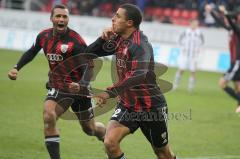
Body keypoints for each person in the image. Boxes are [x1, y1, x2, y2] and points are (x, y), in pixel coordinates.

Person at [7, 4, 105, 159]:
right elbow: (32, 51)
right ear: (51, 18)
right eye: (58, 16)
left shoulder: (76, 41)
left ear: (68, 19)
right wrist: (16, 67)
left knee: (89, 129)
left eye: (64, 16)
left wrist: (81, 85)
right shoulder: (43, 36)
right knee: (48, 115)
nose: (61, 19)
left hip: (79, 88)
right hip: (58, 86)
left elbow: (89, 66)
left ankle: (103, 134)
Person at [85, 3, 177, 159]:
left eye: (117, 16)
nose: (113, 19)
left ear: (129, 23)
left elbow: (139, 74)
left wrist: (109, 92)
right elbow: (88, 53)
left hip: (151, 107)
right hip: (128, 105)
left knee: (162, 153)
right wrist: (102, 39)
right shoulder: (118, 40)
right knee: (110, 143)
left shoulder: (141, 45)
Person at [213, 6, 240, 113]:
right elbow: (223, 23)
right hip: (235, 62)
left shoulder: (236, 29)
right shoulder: (233, 29)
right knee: (238, 86)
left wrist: (226, 13)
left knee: (222, 84)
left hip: (237, 62)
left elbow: (231, 24)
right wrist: (213, 12)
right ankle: (238, 107)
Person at [173, 19, 204, 92]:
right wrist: (182, 48)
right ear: (190, 23)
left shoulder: (199, 33)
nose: (195, 25)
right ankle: (175, 84)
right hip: (185, 55)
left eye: (196, 23)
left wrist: (199, 49)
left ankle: (190, 87)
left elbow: (202, 42)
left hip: (194, 56)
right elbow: (179, 40)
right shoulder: (185, 32)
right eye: (194, 23)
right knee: (181, 69)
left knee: (193, 71)